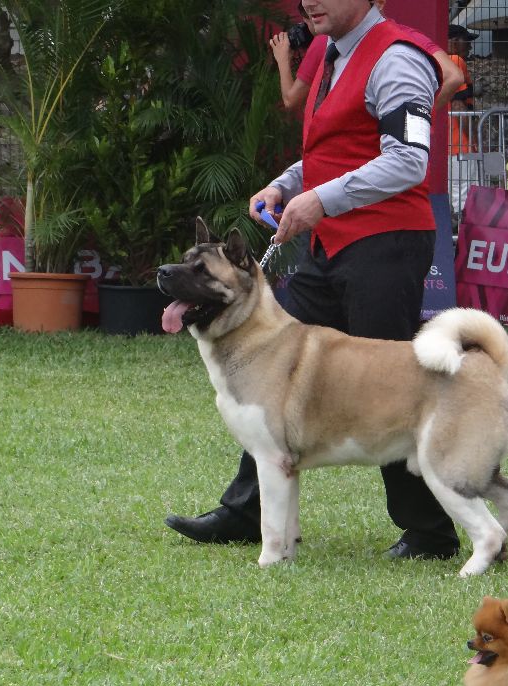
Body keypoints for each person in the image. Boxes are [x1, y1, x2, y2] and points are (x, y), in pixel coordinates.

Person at [166, 0, 461, 560]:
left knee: (391, 384)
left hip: (387, 245)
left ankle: (430, 532)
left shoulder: (399, 59)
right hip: (330, 245)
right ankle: (247, 513)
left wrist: (320, 200)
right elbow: (331, 152)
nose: (309, 2)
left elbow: (408, 161)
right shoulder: (327, 51)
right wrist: (284, 184)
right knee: (266, 367)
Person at [271, 1, 463, 113]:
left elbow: (291, 99)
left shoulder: (325, 41)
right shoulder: (409, 36)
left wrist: (282, 59)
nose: (310, 9)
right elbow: (453, 76)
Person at [447, 24, 479, 216]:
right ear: (454, 42)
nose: (470, 46)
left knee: (455, 192)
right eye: (467, 41)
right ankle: (466, 239)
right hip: (460, 142)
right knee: (466, 193)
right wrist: (474, 140)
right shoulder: (455, 61)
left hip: (446, 144)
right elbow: (459, 106)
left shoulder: (439, 62)